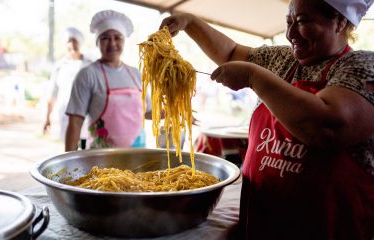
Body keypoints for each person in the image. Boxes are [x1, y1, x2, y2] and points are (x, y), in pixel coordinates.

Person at [160, 0, 374, 239]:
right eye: (289, 22)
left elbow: (325, 126)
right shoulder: (284, 61)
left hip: (327, 227)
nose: (291, 33)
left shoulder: (363, 66)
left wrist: (254, 77)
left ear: (340, 21)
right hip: (263, 220)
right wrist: (190, 21)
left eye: (303, 22)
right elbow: (231, 53)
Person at [65, 10, 152, 151]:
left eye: (117, 37)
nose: (112, 43)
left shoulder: (135, 74)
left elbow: (148, 111)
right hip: (101, 158)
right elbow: (75, 121)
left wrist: (174, 110)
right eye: (105, 38)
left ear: (123, 41)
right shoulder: (88, 74)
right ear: (98, 42)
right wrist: (68, 160)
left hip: (138, 154)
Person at [43, 27, 91, 148]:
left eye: (75, 41)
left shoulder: (90, 65)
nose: (72, 45)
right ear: (65, 44)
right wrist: (47, 118)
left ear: (80, 43)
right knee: (71, 152)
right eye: (69, 41)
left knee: (87, 151)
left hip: (88, 117)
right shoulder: (59, 67)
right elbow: (52, 94)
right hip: (66, 115)